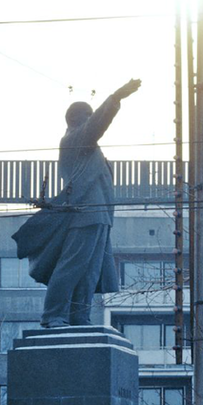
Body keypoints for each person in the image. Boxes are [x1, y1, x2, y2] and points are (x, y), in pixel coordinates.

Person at [26, 78, 141, 328]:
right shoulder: (75, 140)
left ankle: (79, 316)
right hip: (84, 215)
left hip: (100, 217)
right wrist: (115, 98)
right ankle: (53, 315)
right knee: (72, 265)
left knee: (90, 271)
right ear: (76, 119)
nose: (91, 119)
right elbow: (97, 124)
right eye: (87, 115)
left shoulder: (89, 148)